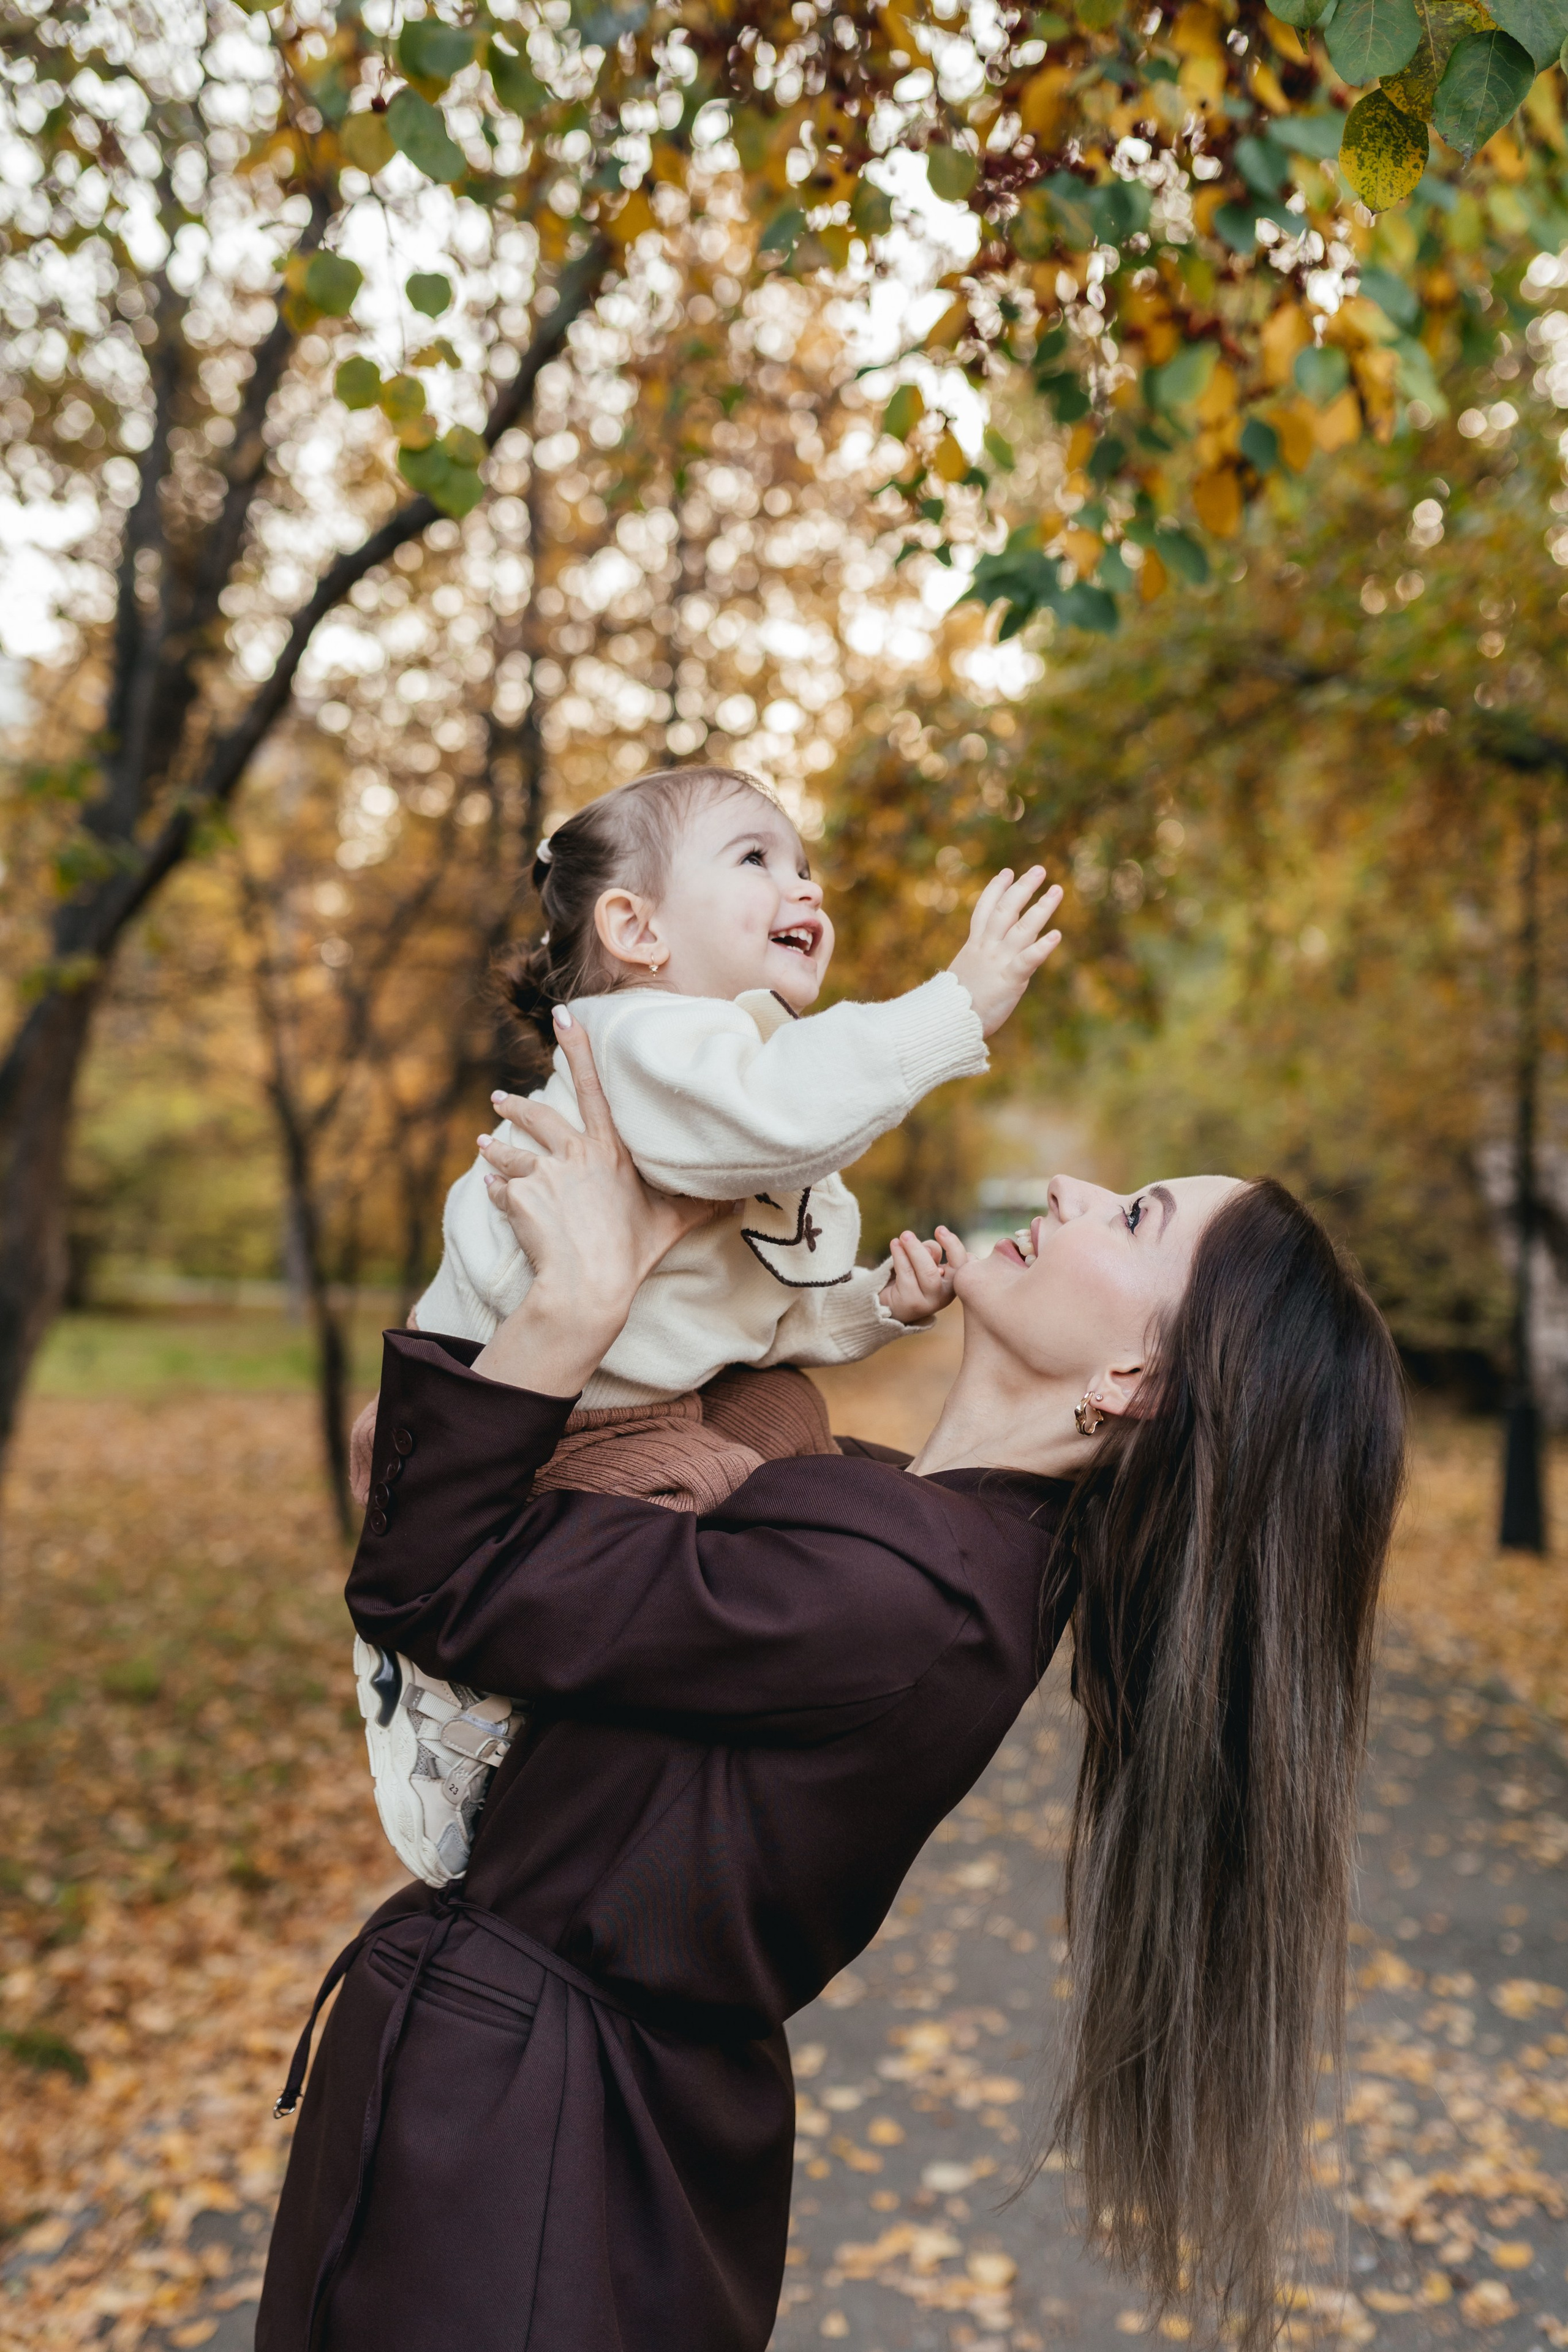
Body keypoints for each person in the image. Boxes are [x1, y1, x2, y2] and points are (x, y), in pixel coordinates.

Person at [257, 1019, 1404, 2352]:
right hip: (551, 2136)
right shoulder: (937, 1544)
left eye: (1134, 1214)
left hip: (517, 2165)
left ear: (1131, 1376)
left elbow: (434, 1582)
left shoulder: (897, 1591)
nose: (1067, 1191)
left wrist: (573, 1305)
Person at [350, 762, 1061, 1885]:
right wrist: (957, 1004)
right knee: (721, 1501)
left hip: (638, 1399)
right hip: (531, 1431)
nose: (805, 887)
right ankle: (465, 1712)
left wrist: (877, 1303)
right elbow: (789, 1114)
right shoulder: (643, 1042)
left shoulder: (732, 1083)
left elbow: (757, 1312)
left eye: (808, 866)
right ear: (634, 928)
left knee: (782, 1412)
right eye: (757, 859)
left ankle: (614, 1705)